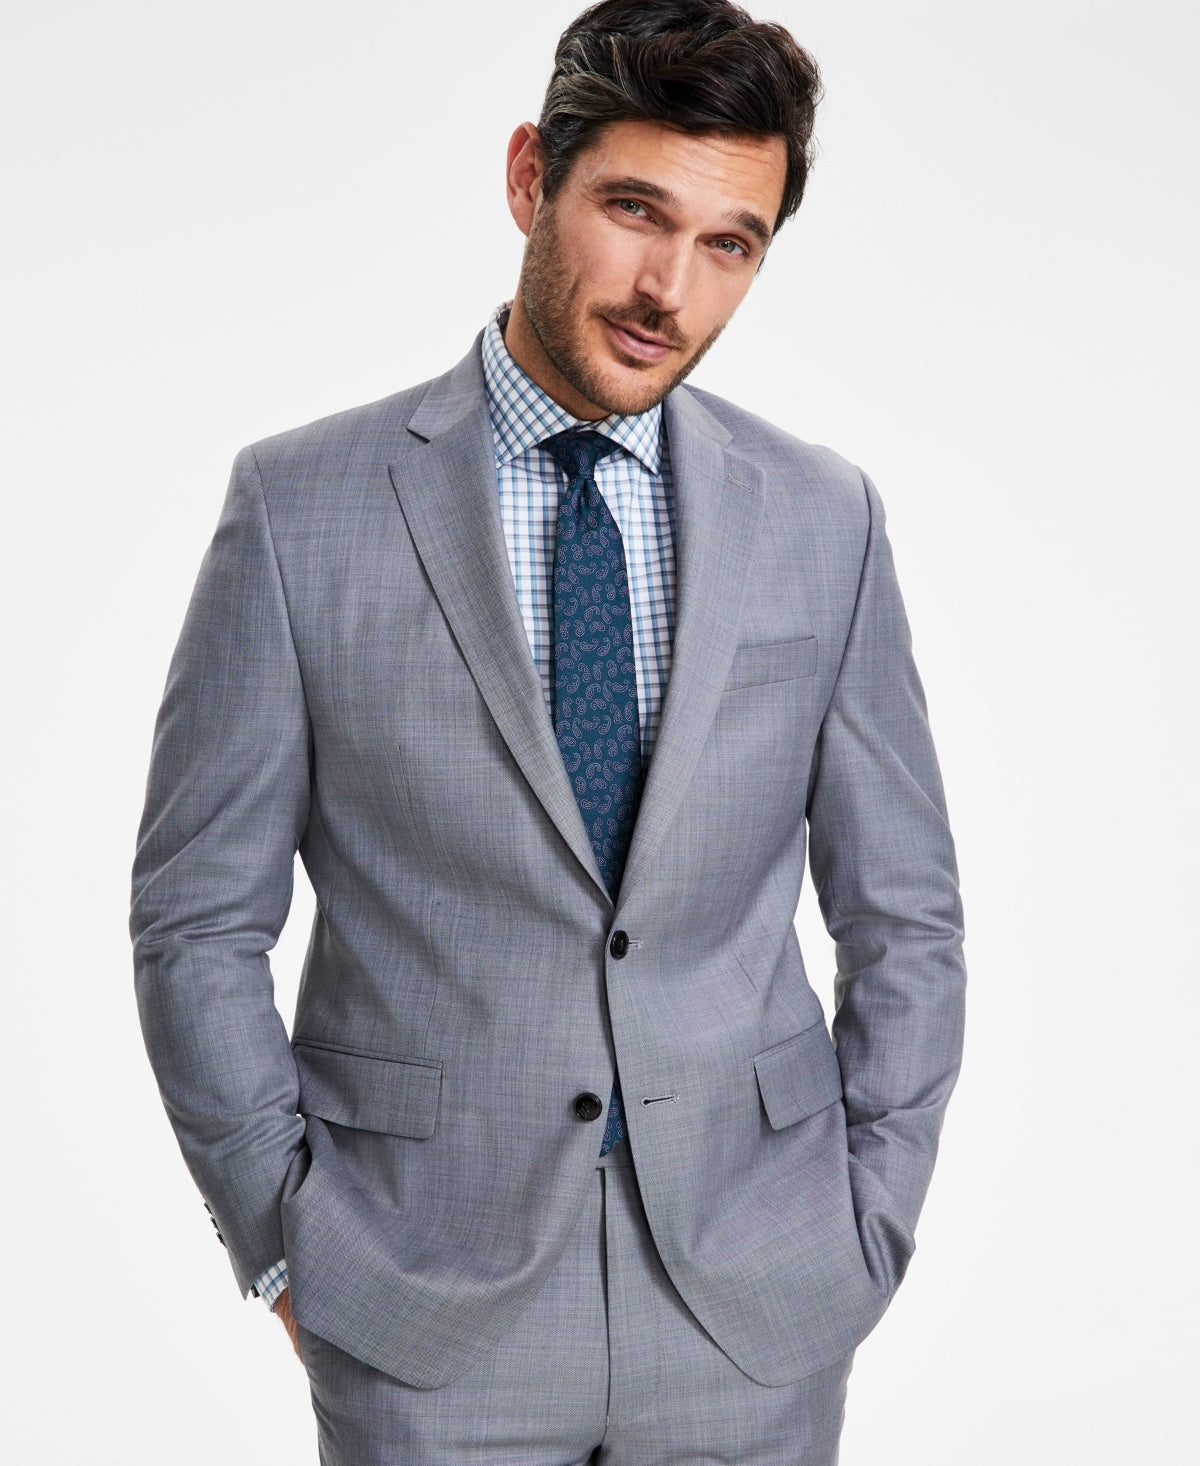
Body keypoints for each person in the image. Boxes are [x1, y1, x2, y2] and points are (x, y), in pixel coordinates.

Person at [131, 1, 966, 1460]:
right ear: (531, 178)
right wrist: (285, 1243)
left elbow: (906, 912)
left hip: (755, 1298)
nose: (667, 289)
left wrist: (868, 1222)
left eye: (729, 243)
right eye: (634, 211)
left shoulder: (821, 516)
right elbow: (197, 917)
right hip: (421, 1301)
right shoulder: (301, 508)